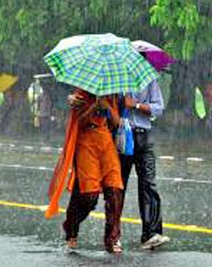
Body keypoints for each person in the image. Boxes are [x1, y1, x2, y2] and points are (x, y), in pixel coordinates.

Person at [45, 88, 124, 254]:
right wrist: (93, 106)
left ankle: (112, 239)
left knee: (115, 191)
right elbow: (78, 122)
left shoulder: (111, 93)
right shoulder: (80, 94)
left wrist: (106, 105)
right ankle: (71, 226)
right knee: (89, 195)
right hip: (85, 142)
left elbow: (116, 122)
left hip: (105, 141)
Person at [118, 79, 170, 249]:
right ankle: (113, 234)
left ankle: (151, 233)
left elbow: (158, 108)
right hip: (120, 137)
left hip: (143, 137)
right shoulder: (114, 78)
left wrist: (136, 105)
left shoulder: (148, 78)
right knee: (117, 187)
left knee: (148, 184)